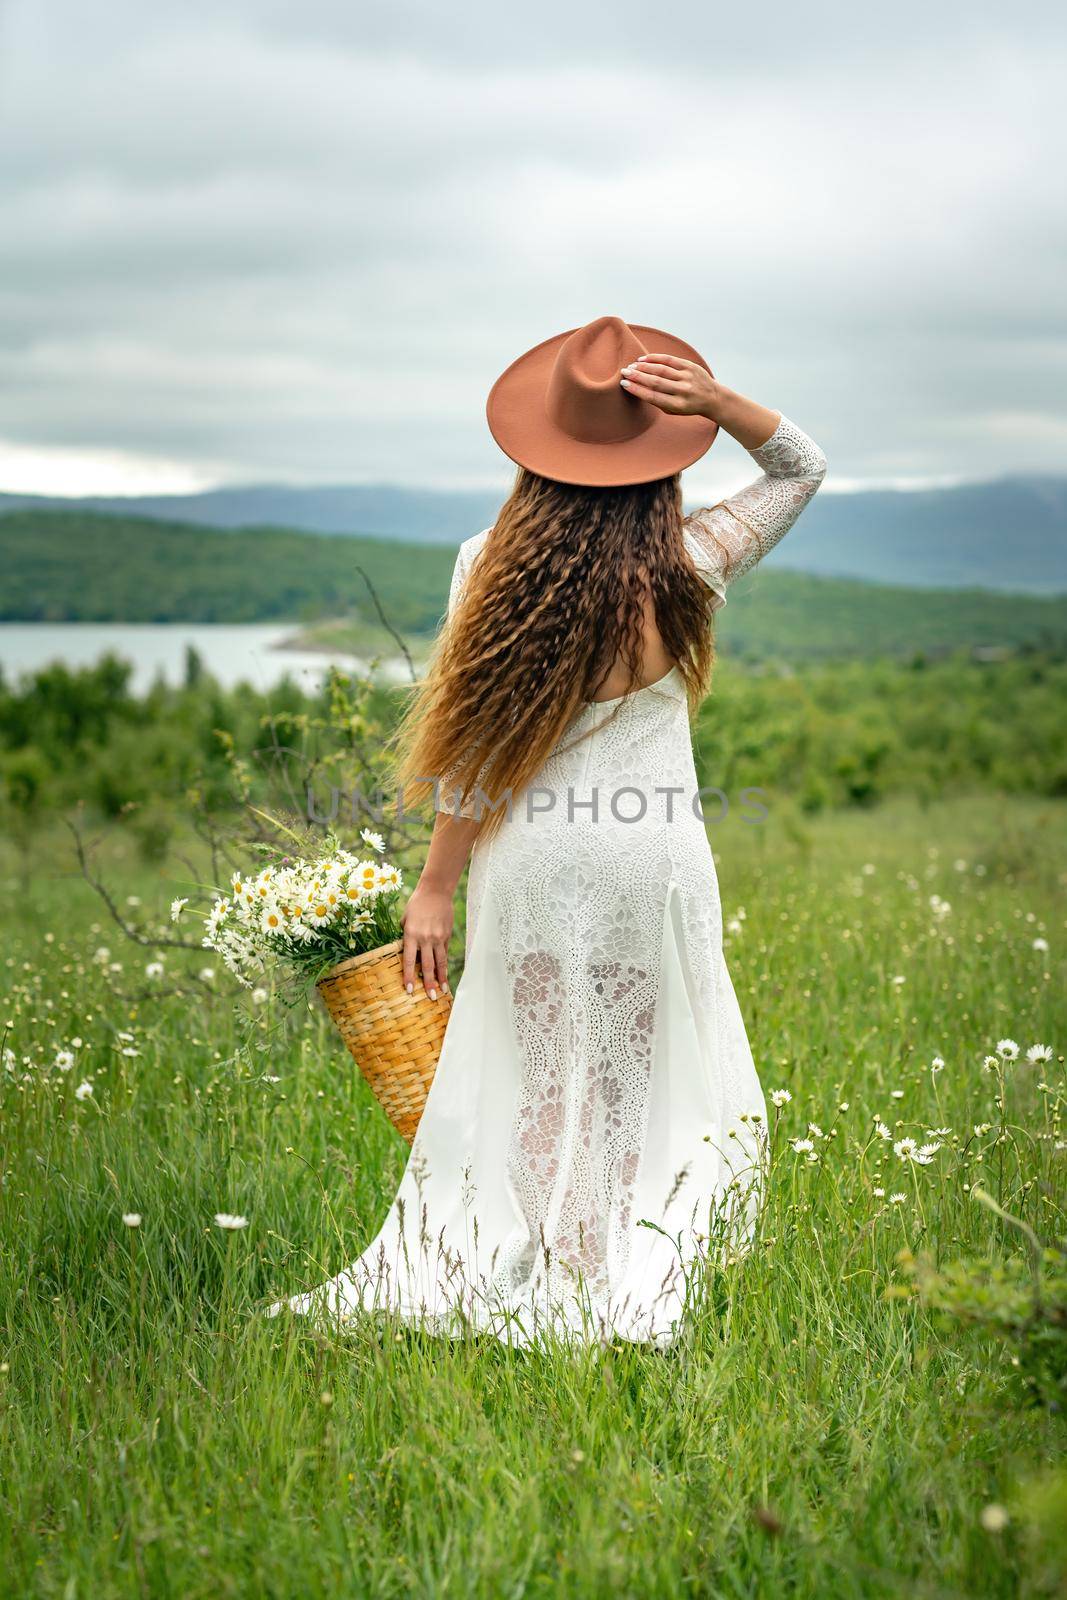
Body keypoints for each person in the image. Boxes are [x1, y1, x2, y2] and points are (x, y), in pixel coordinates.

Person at [269, 315, 827, 1348]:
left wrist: (434, 886)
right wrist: (719, 406)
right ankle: (590, 1267)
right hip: (644, 857)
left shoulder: (487, 562)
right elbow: (799, 469)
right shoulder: (690, 561)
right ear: (659, 458)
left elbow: (471, 747)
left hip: (529, 858)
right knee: (619, 1073)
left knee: (539, 1067)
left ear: (537, 452)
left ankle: (527, 1254)